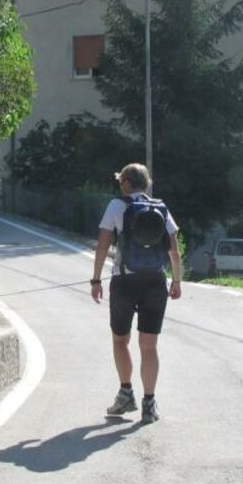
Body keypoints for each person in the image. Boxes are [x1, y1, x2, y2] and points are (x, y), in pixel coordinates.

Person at [90, 163, 181, 423]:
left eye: (121, 182)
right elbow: (173, 251)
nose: (120, 186)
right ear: (147, 184)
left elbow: (102, 246)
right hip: (155, 281)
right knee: (149, 345)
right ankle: (149, 403)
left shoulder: (116, 206)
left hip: (124, 281)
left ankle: (125, 393)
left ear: (127, 182)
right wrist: (176, 280)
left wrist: (96, 279)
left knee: (121, 340)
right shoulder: (161, 208)